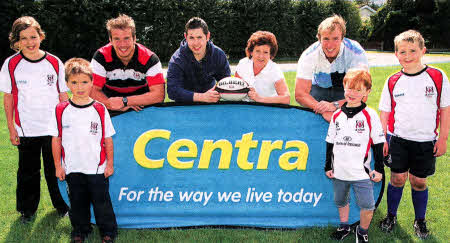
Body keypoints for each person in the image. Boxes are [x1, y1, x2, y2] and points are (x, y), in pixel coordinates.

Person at [378, 30, 450, 239]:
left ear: (423, 51)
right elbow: (385, 111)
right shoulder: (393, 81)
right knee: (397, 178)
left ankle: (420, 220)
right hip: (398, 139)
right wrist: (383, 138)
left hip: (425, 141)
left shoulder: (437, 77)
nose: (407, 56)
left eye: (412, 51)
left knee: (419, 181)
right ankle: (391, 216)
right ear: (396, 54)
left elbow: (445, 109)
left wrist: (443, 138)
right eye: (402, 52)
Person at [0, 16, 69, 223]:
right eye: (24, 38)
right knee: (28, 171)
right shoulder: (11, 64)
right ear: (16, 41)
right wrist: (12, 128)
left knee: (55, 168)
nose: (30, 42)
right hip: (26, 128)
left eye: (33, 37)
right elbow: (9, 97)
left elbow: (63, 96)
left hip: (53, 129)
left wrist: (66, 125)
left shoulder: (54, 62)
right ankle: (27, 211)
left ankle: (63, 205)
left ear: (41, 36)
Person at [51, 58, 117, 243]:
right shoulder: (60, 109)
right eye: (74, 82)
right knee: (78, 202)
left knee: (101, 203)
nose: (79, 87)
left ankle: (108, 232)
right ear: (66, 83)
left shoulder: (99, 108)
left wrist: (109, 164)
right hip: (72, 167)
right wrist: (58, 166)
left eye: (84, 82)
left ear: (92, 82)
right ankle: (80, 230)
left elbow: (108, 139)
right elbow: (56, 140)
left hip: (96, 167)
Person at [325, 69, 385, 243]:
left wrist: (379, 169)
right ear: (344, 87)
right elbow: (330, 142)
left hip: (361, 173)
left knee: (368, 205)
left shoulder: (370, 115)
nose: (352, 93)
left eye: (358, 90)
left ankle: (362, 231)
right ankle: (344, 226)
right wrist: (328, 166)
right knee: (341, 201)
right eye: (350, 88)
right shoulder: (337, 115)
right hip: (339, 172)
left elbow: (378, 144)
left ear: (367, 92)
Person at [295, 15, 368, 122]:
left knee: (352, 119)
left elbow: (362, 95)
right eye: (326, 39)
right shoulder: (309, 55)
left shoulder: (356, 52)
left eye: (335, 39)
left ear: (342, 38)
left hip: (345, 90)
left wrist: (335, 105)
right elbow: (300, 94)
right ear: (319, 38)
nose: (330, 45)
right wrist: (323, 110)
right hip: (319, 88)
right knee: (313, 120)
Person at [90, 14, 165, 114]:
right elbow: (91, 90)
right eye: (117, 39)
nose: (122, 44)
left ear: (134, 38)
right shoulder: (100, 57)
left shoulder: (150, 58)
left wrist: (125, 101)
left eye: (126, 38)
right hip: (110, 109)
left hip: (142, 109)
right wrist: (109, 104)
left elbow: (159, 95)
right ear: (110, 40)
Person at [167, 17, 231, 103]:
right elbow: (172, 91)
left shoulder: (218, 55)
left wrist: (217, 92)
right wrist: (202, 97)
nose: (196, 43)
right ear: (186, 37)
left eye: (199, 37)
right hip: (185, 106)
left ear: (207, 36)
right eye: (191, 38)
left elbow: (227, 82)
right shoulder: (177, 59)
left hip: (210, 105)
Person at [235, 31, 290, 104]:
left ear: (270, 54)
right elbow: (235, 89)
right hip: (245, 107)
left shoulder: (274, 70)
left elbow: (286, 99)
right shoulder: (243, 64)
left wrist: (259, 99)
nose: (261, 56)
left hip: (267, 109)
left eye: (265, 52)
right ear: (251, 52)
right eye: (257, 51)